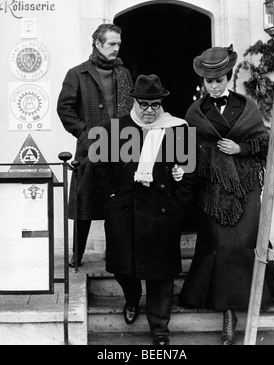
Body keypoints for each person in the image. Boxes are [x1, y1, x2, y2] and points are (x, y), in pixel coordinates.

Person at [178, 45, 274, 345]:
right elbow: (188, 151)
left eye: (220, 80)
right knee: (220, 245)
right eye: (209, 81)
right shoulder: (194, 112)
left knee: (245, 242)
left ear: (228, 77)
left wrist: (240, 149)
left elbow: (263, 143)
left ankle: (253, 299)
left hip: (246, 187)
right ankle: (227, 315)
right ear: (203, 82)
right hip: (213, 191)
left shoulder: (246, 106)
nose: (214, 85)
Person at [91, 74, 194, 345]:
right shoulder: (113, 129)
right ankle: (132, 298)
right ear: (134, 102)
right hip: (124, 211)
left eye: (155, 105)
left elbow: (189, 172)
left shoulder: (178, 130)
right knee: (124, 268)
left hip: (162, 214)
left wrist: (178, 207)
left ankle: (160, 327)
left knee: (161, 275)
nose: (150, 111)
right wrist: (112, 196)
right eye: (144, 105)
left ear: (162, 104)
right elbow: (99, 168)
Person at [57, 23, 134, 267]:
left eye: (119, 44)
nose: (116, 48)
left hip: (123, 146)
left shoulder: (124, 73)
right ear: (98, 44)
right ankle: (76, 255)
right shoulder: (77, 73)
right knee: (85, 205)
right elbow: (64, 108)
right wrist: (83, 132)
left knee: (121, 204)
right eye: (112, 44)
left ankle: (120, 257)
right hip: (91, 147)